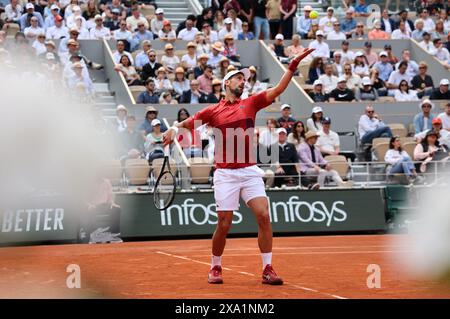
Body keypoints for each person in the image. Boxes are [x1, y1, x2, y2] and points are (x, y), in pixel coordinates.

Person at [163, 47, 315, 285]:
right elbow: (189, 124)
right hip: (225, 174)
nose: (243, 82)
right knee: (224, 223)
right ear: (226, 83)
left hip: (249, 171)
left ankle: (267, 268)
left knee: (264, 216)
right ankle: (215, 267)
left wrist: (293, 66)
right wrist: (173, 129)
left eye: (244, 79)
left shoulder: (251, 104)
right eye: (238, 78)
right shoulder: (213, 111)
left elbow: (278, 89)